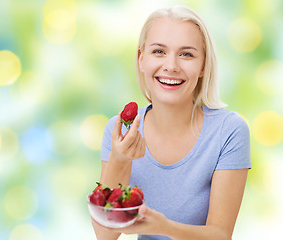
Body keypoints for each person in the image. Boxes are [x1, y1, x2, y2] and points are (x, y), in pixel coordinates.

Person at [91, 5, 251, 240]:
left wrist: (164, 227)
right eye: (159, 51)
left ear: (203, 65)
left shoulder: (229, 131)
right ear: (141, 59)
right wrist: (121, 158)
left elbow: (220, 235)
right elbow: (106, 235)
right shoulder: (120, 132)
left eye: (186, 54)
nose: (171, 66)